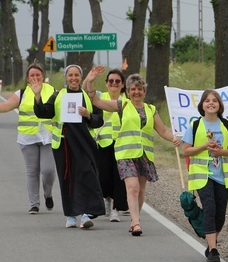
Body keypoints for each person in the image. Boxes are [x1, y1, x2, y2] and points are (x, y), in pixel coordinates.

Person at [86, 68, 180, 236]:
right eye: (133, 89)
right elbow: (97, 101)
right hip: (126, 153)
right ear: (127, 91)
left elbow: (163, 130)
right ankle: (136, 223)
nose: (136, 92)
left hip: (145, 155)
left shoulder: (151, 109)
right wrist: (91, 82)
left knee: (141, 190)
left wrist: (174, 138)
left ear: (144, 91)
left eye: (140, 89)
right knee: (133, 188)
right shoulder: (123, 105)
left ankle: (134, 218)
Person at [32, 64, 106, 229]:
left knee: (87, 174)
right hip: (63, 144)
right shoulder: (58, 95)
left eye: (76, 75)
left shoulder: (89, 95)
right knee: (68, 178)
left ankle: (87, 213)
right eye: (70, 75)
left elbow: (99, 120)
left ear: (81, 77)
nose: (73, 78)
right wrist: (37, 96)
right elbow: (44, 112)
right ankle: (71, 215)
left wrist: (88, 115)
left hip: (85, 143)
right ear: (66, 77)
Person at [0, 63, 56, 215]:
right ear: (28, 78)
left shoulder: (52, 91)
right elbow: (8, 105)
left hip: (48, 137)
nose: (35, 78)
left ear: (43, 76)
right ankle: (34, 204)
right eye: (32, 75)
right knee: (32, 171)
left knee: (48, 170)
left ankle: (48, 193)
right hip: (28, 137)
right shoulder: (22, 93)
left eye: (38, 75)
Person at [181, 90, 228, 262]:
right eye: (207, 101)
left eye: (215, 101)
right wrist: (204, 147)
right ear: (202, 105)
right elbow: (186, 150)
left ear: (220, 105)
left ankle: (210, 241)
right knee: (210, 207)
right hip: (202, 175)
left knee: (220, 213)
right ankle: (213, 249)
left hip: (222, 175)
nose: (211, 103)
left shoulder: (227, 125)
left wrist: (220, 151)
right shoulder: (195, 125)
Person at [82, 68, 129, 222]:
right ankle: (106, 199)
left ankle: (116, 208)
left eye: (117, 81)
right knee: (103, 176)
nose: (114, 83)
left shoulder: (127, 102)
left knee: (119, 178)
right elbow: (86, 94)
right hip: (103, 142)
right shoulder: (101, 97)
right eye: (111, 81)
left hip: (122, 144)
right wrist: (89, 80)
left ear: (122, 84)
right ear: (106, 83)